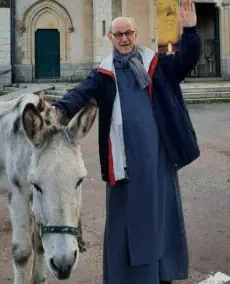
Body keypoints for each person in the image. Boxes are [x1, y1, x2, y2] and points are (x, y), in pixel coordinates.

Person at [51, 0, 201, 283]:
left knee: (159, 219)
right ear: (110, 38)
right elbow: (80, 92)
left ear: (136, 34)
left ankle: (162, 273)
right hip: (123, 164)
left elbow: (187, 60)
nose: (124, 39)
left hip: (156, 161)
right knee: (125, 224)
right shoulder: (103, 74)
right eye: (118, 34)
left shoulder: (157, 65)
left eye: (128, 33)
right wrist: (59, 110)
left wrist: (190, 30)